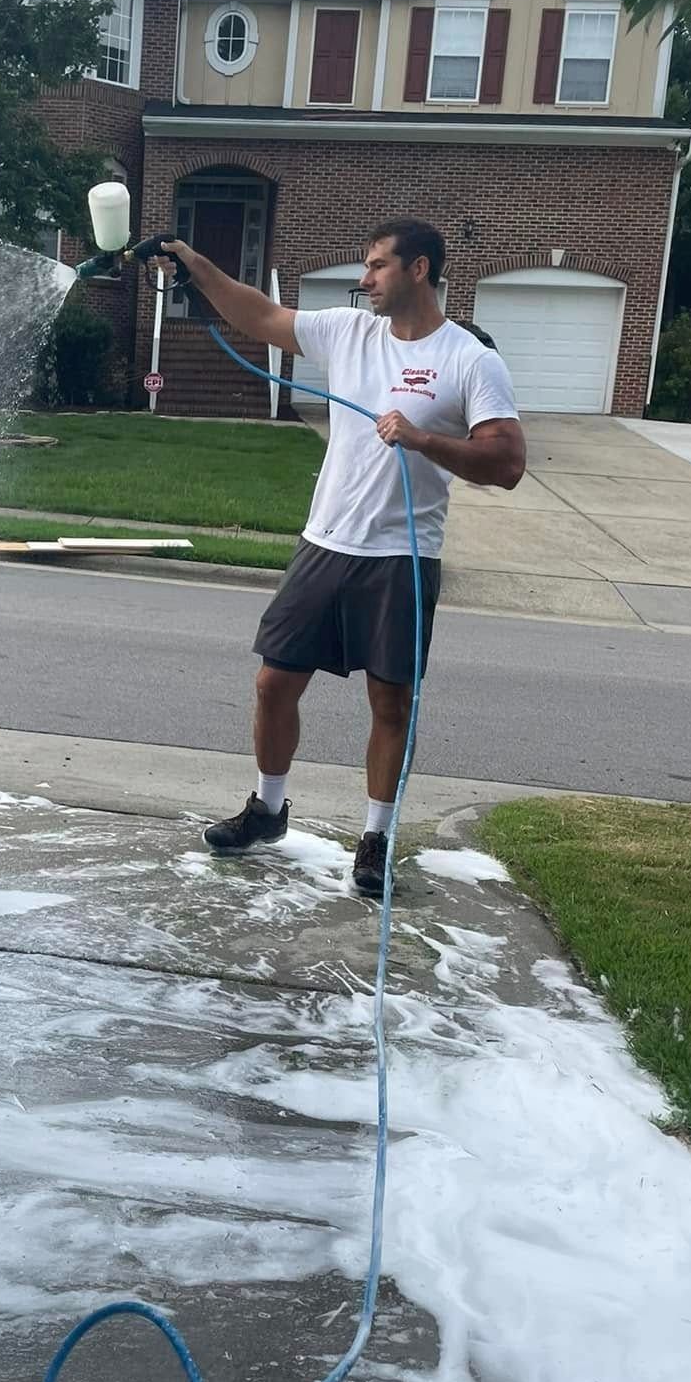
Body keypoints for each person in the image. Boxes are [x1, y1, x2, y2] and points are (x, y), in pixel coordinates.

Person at [152, 218, 526, 898]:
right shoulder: (349, 333)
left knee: (390, 702)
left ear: (419, 270)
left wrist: (422, 440)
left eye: (378, 266)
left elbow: (506, 463)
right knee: (273, 684)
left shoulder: (470, 359)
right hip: (325, 542)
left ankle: (376, 836)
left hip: (400, 557)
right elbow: (259, 313)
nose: (365, 279)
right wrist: (194, 265)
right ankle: (267, 809)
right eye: (366, 265)